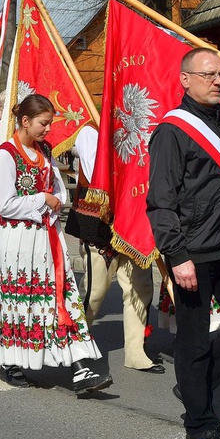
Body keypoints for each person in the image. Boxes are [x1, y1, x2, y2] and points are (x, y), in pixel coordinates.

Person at [147, 48, 220, 439]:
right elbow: (161, 201)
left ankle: (193, 385)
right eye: (208, 74)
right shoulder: (172, 132)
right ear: (185, 79)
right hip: (193, 253)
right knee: (193, 343)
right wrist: (176, 255)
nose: (218, 81)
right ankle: (200, 425)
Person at [0, 93, 112, 395]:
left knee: (62, 298)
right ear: (25, 121)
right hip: (18, 242)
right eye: (43, 124)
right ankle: (11, 361)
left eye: (49, 123)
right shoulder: (5, 154)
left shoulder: (45, 151)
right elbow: (5, 204)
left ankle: (80, 368)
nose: (48, 130)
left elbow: (61, 192)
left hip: (47, 239)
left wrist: (53, 200)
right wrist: (40, 199)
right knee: (20, 305)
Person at [65, 123, 164, 374]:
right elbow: (96, 173)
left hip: (132, 220)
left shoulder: (139, 125)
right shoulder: (91, 129)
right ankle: (73, 343)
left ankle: (135, 350)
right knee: (95, 290)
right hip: (98, 224)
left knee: (139, 287)